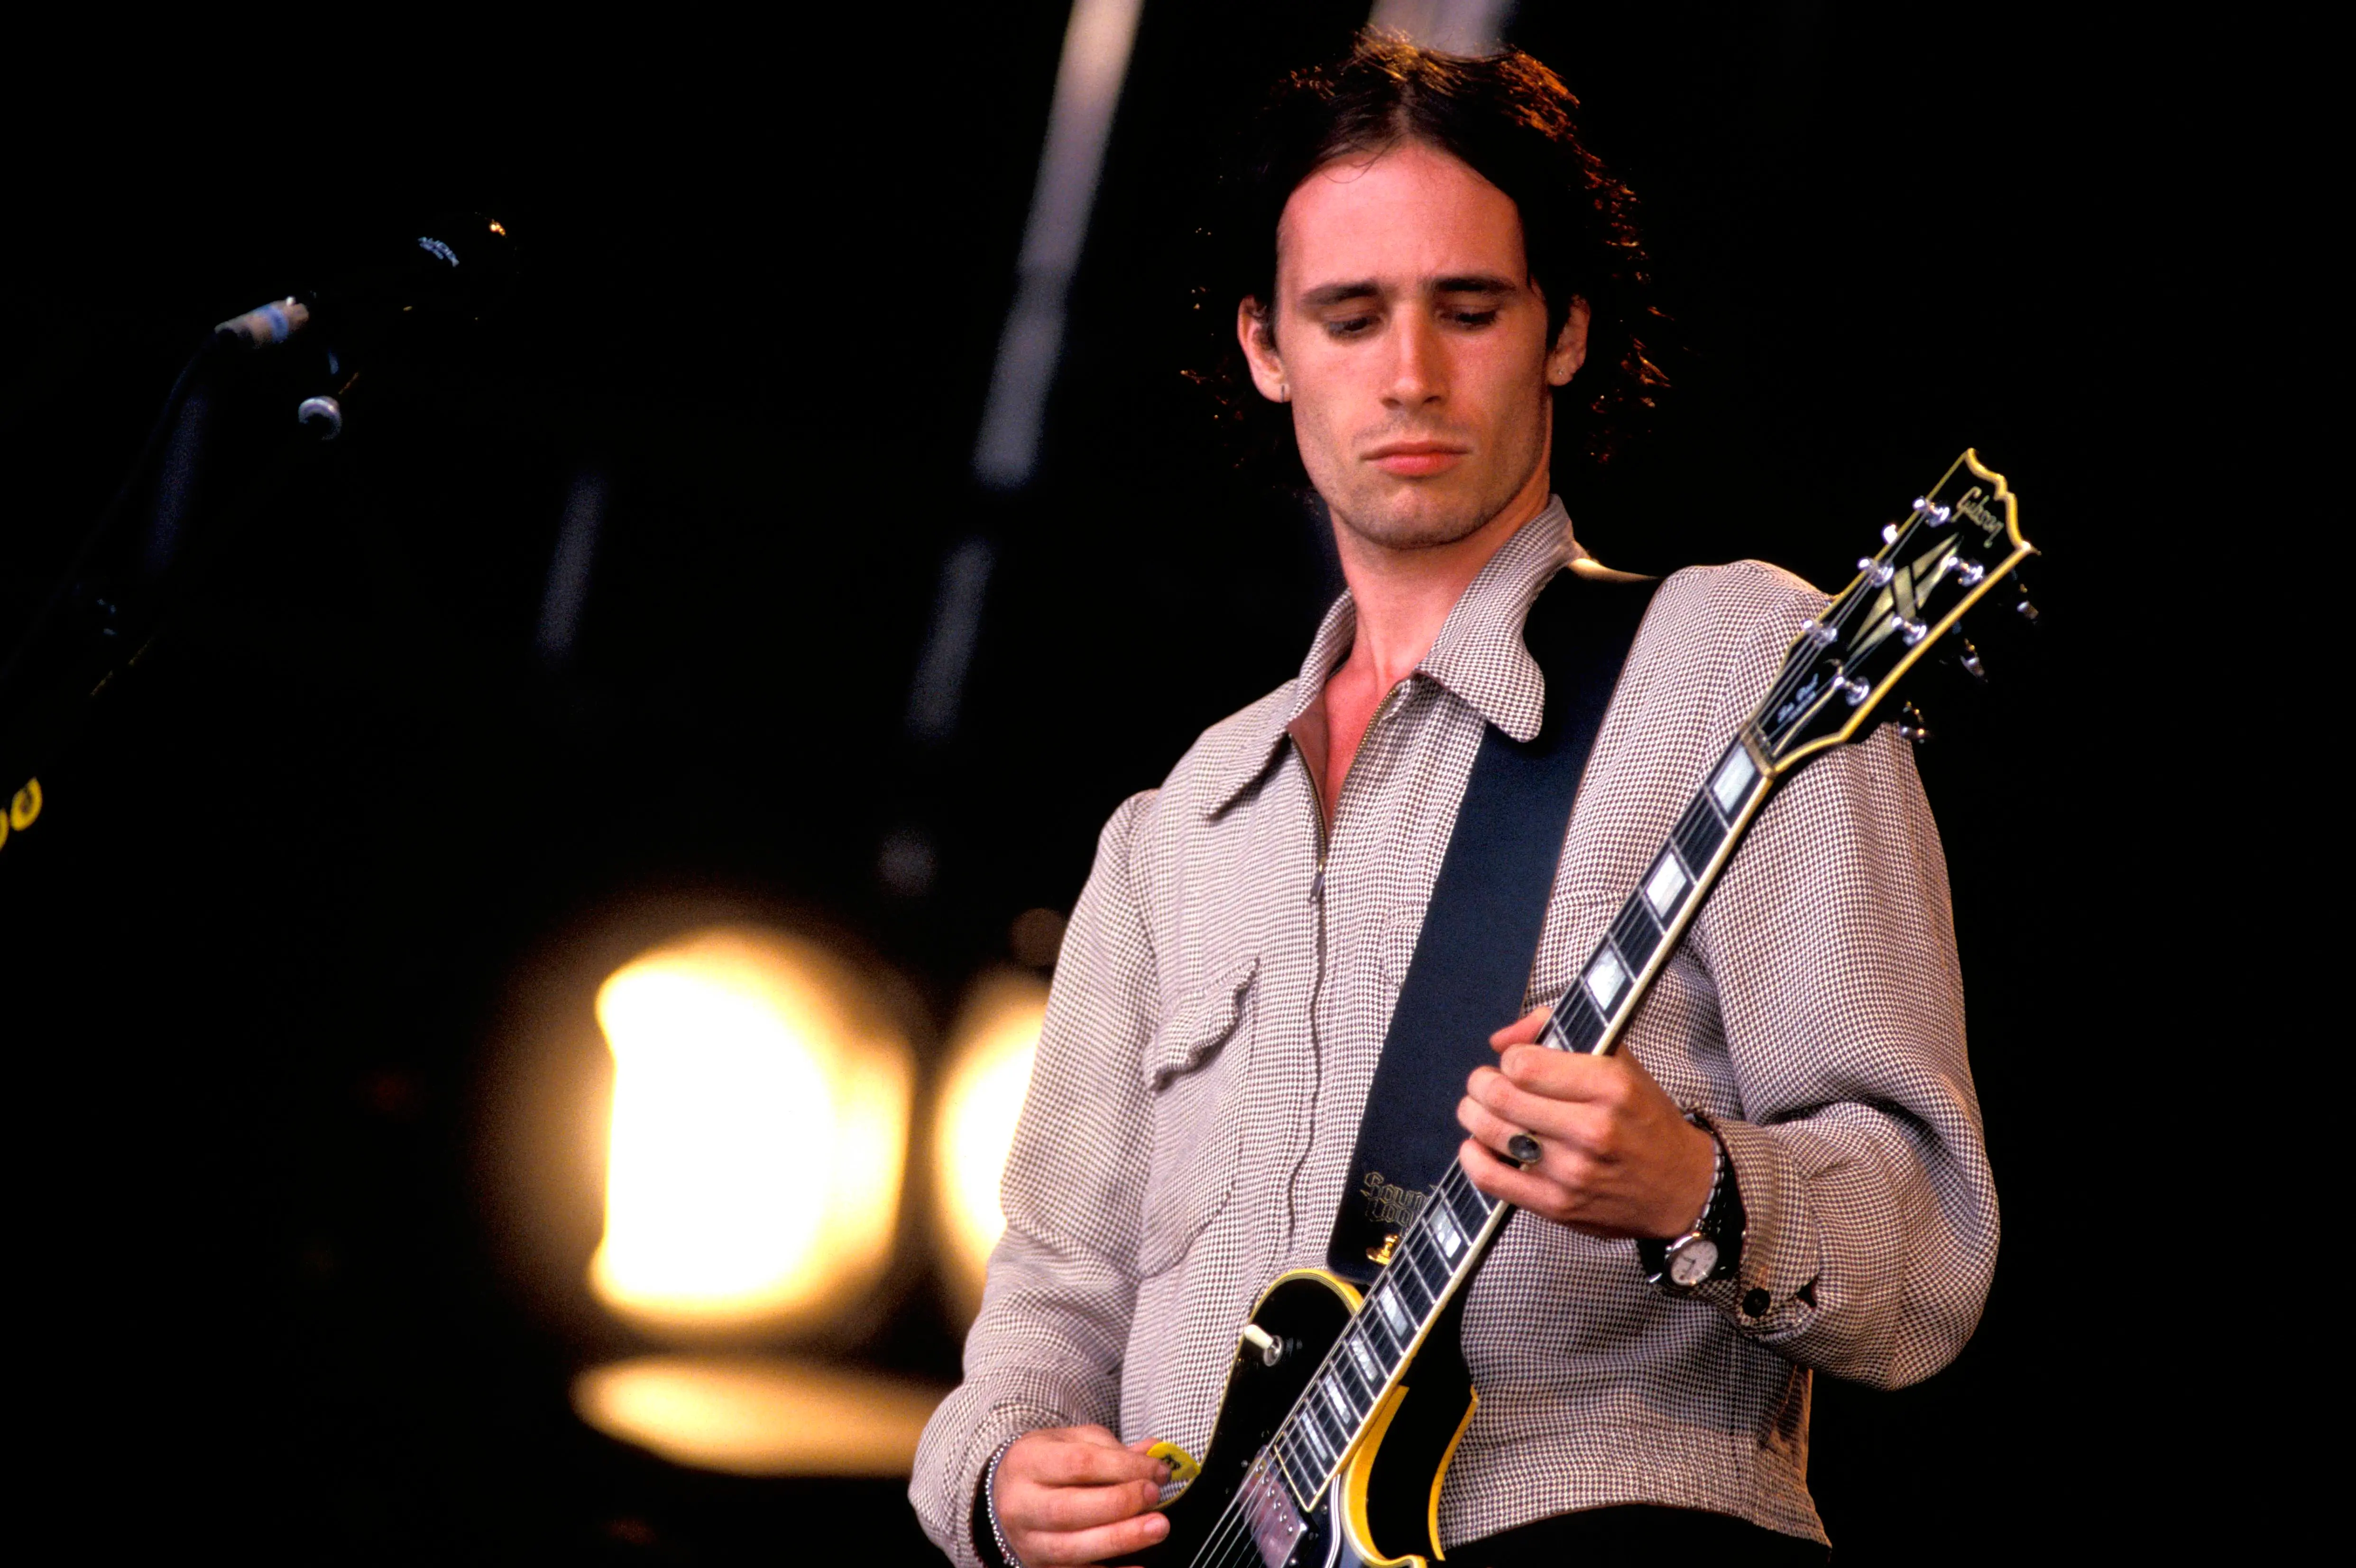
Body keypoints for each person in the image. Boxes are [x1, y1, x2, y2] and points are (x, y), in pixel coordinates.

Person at [911, 35, 1996, 1568]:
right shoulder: (1179, 827)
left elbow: (1932, 1247)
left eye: (1468, 309)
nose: (1410, 374)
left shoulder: (1741, 667)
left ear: (1563, 328)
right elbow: (1050, 1291)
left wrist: (1699, 1181)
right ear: (1266, 348)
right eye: (1349, 319)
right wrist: (999, 1473)